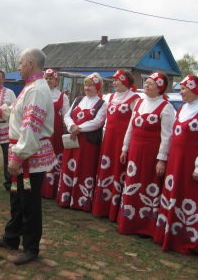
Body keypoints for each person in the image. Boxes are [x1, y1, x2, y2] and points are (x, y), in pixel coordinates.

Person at [0, 48, 57, 265]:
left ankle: (31, 247)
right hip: (25, 152)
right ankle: (11, 237)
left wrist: (17, 157)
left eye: (19, 63)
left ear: (29, 63)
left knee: (29, 202)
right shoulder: (31, 87)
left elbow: (30, 127)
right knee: (17, 198)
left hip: (30, 157)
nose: (17, 67)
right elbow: (20, 114)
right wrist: (0, 112)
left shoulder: (36, 90)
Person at [154, 75, 198, 254]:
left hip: (190, 163)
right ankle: (168, 236)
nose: (180, 92)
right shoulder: (182, 109)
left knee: (188, 198)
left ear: (195, 89)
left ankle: (187, 240)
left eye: (183, 89)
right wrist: (165, 157)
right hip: (176, 161)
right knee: (174, 194)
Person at [117, 71, 175, 238]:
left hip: (151, 155)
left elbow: (167, 136)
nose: (147, 85)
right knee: (132, 184)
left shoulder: (166, 107)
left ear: (160, 88)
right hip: (135, 153)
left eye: (151, 83)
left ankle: (144, 225)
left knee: (148, 185)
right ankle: (128, 221)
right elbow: (130, 127)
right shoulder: (140, 103)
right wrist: (125, 148)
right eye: (147, 82)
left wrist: (162, 159)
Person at [56, 73, 108, 212]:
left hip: (88, 143)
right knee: (69, 166)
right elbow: (68, 115)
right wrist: (71, 127)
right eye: (86, 85)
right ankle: (66, 197)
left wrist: (79, 128)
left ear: (97, 87)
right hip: (73, 139)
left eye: (90, 85)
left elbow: (97, 122)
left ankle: (81, 200)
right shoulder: (78, 99)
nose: (87, 87)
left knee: (84, 169)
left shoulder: (102, 104)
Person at [92, 69, 139, 221]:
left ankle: (116, 208)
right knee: (108, 169)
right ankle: (103, 206)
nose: (114, 83)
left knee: (119, 170)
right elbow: (102, 118)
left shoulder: (135, 99)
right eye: (113, 81)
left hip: (123, 140)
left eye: (117, 81)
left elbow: (134, 123)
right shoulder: (111, 97)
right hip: (109, 140)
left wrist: (127, 144)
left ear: (125, 81)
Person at [41, 68, 70, 199]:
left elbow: (66, 115)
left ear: (56, 81)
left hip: (55, 131)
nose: (48, 81)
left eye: (51, 78)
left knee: (54, 155)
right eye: (46, 78)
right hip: (41, 129)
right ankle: (39, 186)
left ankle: (52, 188)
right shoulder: (38, 93)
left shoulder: (62, 96)